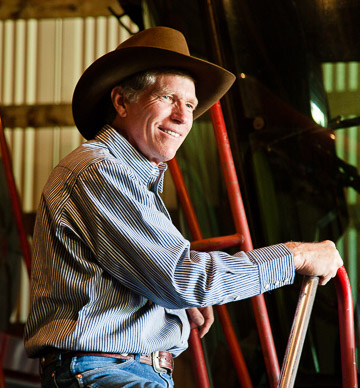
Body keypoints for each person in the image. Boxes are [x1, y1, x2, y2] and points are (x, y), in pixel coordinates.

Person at [24, 26, 343, 388]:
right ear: (121, 102)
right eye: (166, 98)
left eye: (189, 105)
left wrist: (168, 304)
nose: (183, 116)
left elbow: (160, 279)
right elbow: (183, 279)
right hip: (104, 372)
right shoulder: (101, 170)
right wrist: (295, 255)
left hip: (127, 371)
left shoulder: (133, 178)